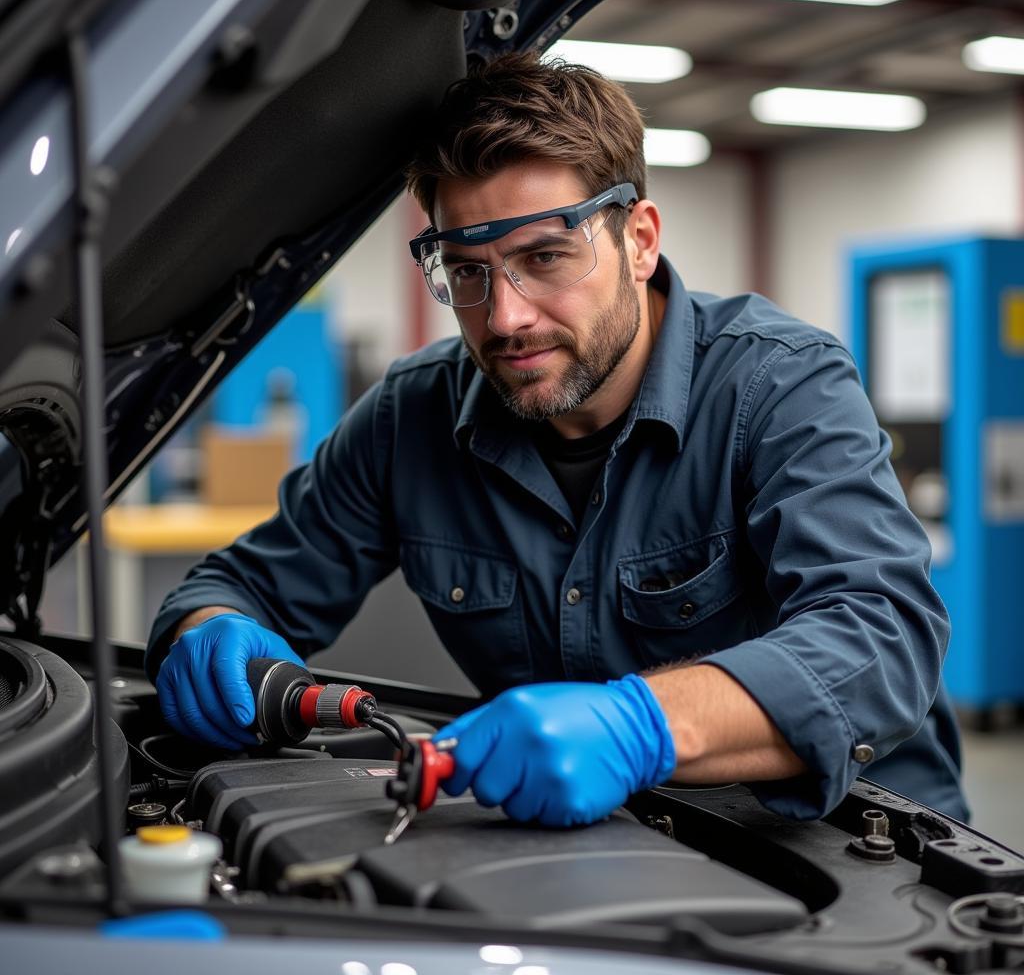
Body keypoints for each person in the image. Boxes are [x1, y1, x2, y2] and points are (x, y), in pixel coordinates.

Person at [146, 53, 968, 825]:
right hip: (605, 846)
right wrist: (206, 631)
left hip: (853, 853)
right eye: (468, 271)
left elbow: (881, 633)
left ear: (639, 240)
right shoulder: (412, 416)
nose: (505, 317)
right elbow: (238, 587)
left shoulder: (778, 384)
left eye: (544, 256)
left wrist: (642, 724)